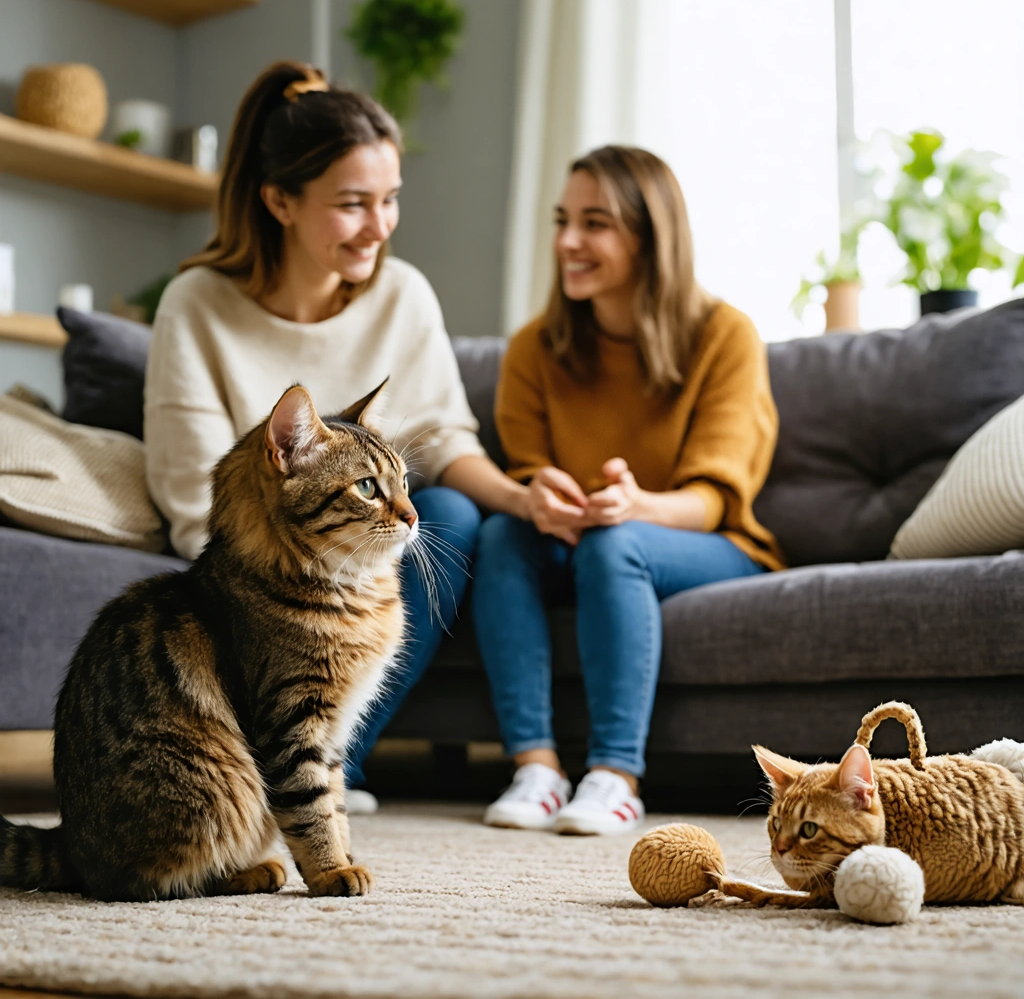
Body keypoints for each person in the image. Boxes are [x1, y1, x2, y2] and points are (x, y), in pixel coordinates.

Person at [144, 61, 524, 812]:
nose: (380, 226)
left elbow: (445, 436)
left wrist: (524, 498)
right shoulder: (196, 305)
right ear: (279, 200)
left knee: (454, 515)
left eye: (390, 199)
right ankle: (290, 761)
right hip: (258, 567)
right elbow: (195, 501)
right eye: (353, 204)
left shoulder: (404, 293)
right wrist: (299, 583)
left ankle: (334, 760)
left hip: (356, 549)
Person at [474, 145, 787, 835]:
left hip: (707, 543)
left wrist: (637, 506)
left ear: (651, 238)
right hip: (580, 540)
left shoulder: (725, 335)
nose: (567, 242)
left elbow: (714, 498)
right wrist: (539, 494)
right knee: (501, 534)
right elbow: (526, 468)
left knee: (615, 544)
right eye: (563, 221)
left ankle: (616, 777)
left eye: (595, 224)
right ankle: (538, 771)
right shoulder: (533, 348)